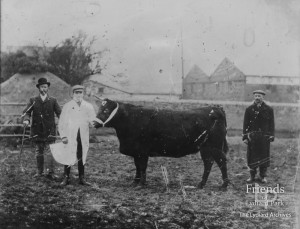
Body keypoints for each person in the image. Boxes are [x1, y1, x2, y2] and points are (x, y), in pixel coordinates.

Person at [22, 78, 61, 179]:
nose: (44, 89)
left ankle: (51, 173)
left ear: (48, 88)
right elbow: (27, 112)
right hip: (37, 130)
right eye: (42, 87)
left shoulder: (53, 100)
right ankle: (39, 172)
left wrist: (65, 121)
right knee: (39, 151)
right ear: (38, 88)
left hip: (49, 130)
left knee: (50, 151)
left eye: (45, 87)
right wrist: (26, 120)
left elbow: (60, 113)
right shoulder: (33, 100)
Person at [58, 85, 96, 186]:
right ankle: (66, 177)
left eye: (80, 92)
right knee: (68, 154)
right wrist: (63, 136)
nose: (78, 95)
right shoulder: (68, 106)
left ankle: (82, 178)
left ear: (83, 94)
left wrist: (94, 123)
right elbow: (61, 122)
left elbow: (93, 120)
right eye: (76, 92)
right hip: (70, 135)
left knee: (81, 155)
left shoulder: (88, 106)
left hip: (82, 135)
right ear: (73, 94)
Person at [242, 90, 275, 183]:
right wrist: (245, 137)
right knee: (252, 157)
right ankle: (252, 176)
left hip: (264, 137)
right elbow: (245, 124)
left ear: (263, 97)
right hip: (253, 137)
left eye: (259, 96)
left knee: (264, 157)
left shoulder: (269, 109)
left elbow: (271, 123)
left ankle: (262, 176)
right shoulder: (249, 109)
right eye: (256, 96)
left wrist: (272, 135)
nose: (257, 98)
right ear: (254, 97)